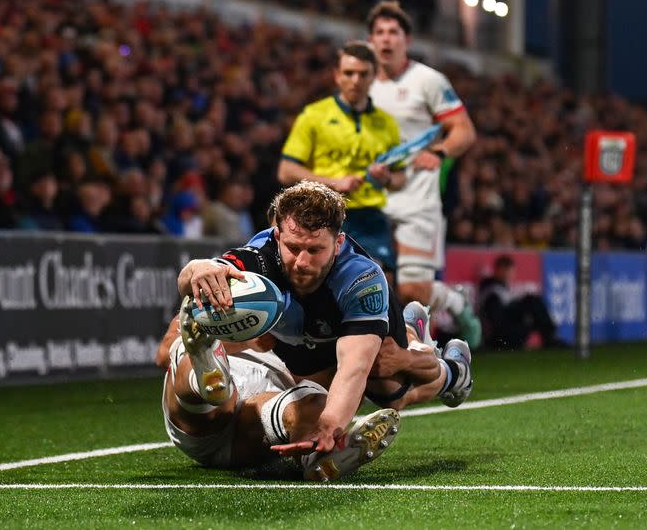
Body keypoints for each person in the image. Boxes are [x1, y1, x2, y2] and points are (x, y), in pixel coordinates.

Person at [175, 181, 473, 462]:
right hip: (305, 340)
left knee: (389, 385)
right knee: (309, 377)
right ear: (276, 235)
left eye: (315, 250)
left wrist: (330, 425)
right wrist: (197, 267)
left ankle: (452, 371)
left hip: (357, 338)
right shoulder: (259, 256)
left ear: (339, 242)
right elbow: (202, 274)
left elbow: (354, 367)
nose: (302, 262)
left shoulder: (361, 280)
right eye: (293, 248)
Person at [156, 310, 400, 481]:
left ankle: (317, 459)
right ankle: (210, 373)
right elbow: (164, 352)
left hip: (257, 410)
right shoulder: (200, 311)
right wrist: (244, 342)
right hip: (203, 417)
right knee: (188, 358)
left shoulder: (293, 315)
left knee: (316, 404)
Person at [367, 1, 482, 349]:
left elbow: (464, 130)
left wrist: (440, 150)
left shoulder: (427, 80)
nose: (386, 40)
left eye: (393, 33)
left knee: (412, 289)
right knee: (369, 284)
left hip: (418, 197)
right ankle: (400, 351)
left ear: (407, 40)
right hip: (372, 196)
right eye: (380, 33)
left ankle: (456, 303)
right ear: (370, 41)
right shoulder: (362, 84)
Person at [277, 41, 404, 275]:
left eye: (363, 74)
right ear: (337, 75)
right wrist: (334, 183)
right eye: (349, 73)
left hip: (370, 218)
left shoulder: (387, 124)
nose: (356, 80)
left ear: (374, 76)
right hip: (323, 215)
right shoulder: (314, 115)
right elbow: (286, 170)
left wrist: (385, 178)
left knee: (382, 283)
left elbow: (400, 179)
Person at [477, 254, 563, 350]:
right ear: (497, 270)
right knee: (531, 302)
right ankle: (550, 338)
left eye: (510, 271)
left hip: (501, 332)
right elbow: (497, 322)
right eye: (505, 270)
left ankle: (550, 336)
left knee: (532, 301)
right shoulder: (492, 293)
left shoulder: (500, 289)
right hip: (496, 338)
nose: (508, 274)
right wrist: (523, 325)